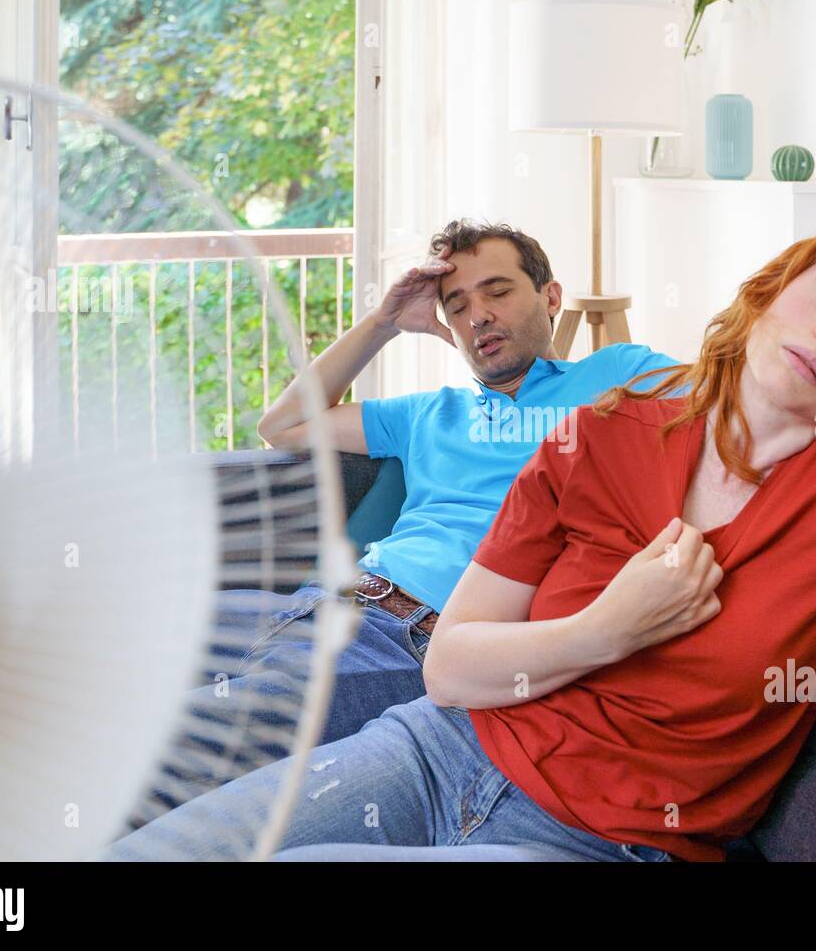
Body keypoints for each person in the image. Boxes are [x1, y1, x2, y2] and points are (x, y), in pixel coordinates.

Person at [108, 165, 816, 860]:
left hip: (590, 842)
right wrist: (608, 628)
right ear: (771, 291)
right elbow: (451, 665)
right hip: (437, 745)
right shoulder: (605, 426)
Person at [126, 219, 678, 828]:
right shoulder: (432, 412)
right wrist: (385, 322)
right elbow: (281, 426)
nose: (478, 318)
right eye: (458, 304)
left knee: (156, 742)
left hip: (409, 641)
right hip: (314, 605)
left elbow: (735, 399)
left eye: (498, 291)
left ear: (550, 296)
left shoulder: (617, 377)